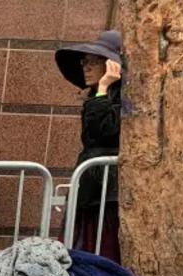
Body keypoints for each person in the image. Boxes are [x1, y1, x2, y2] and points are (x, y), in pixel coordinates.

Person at [56, 29, 123, 263]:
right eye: (85, 61)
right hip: (92, 192)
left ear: (112, 65)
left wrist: (104, 89)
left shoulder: (123, 98)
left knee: (102, 254)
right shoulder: (98, 97)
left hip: (108, 196)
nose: (86, 66)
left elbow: (101, 133)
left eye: (94, 61)